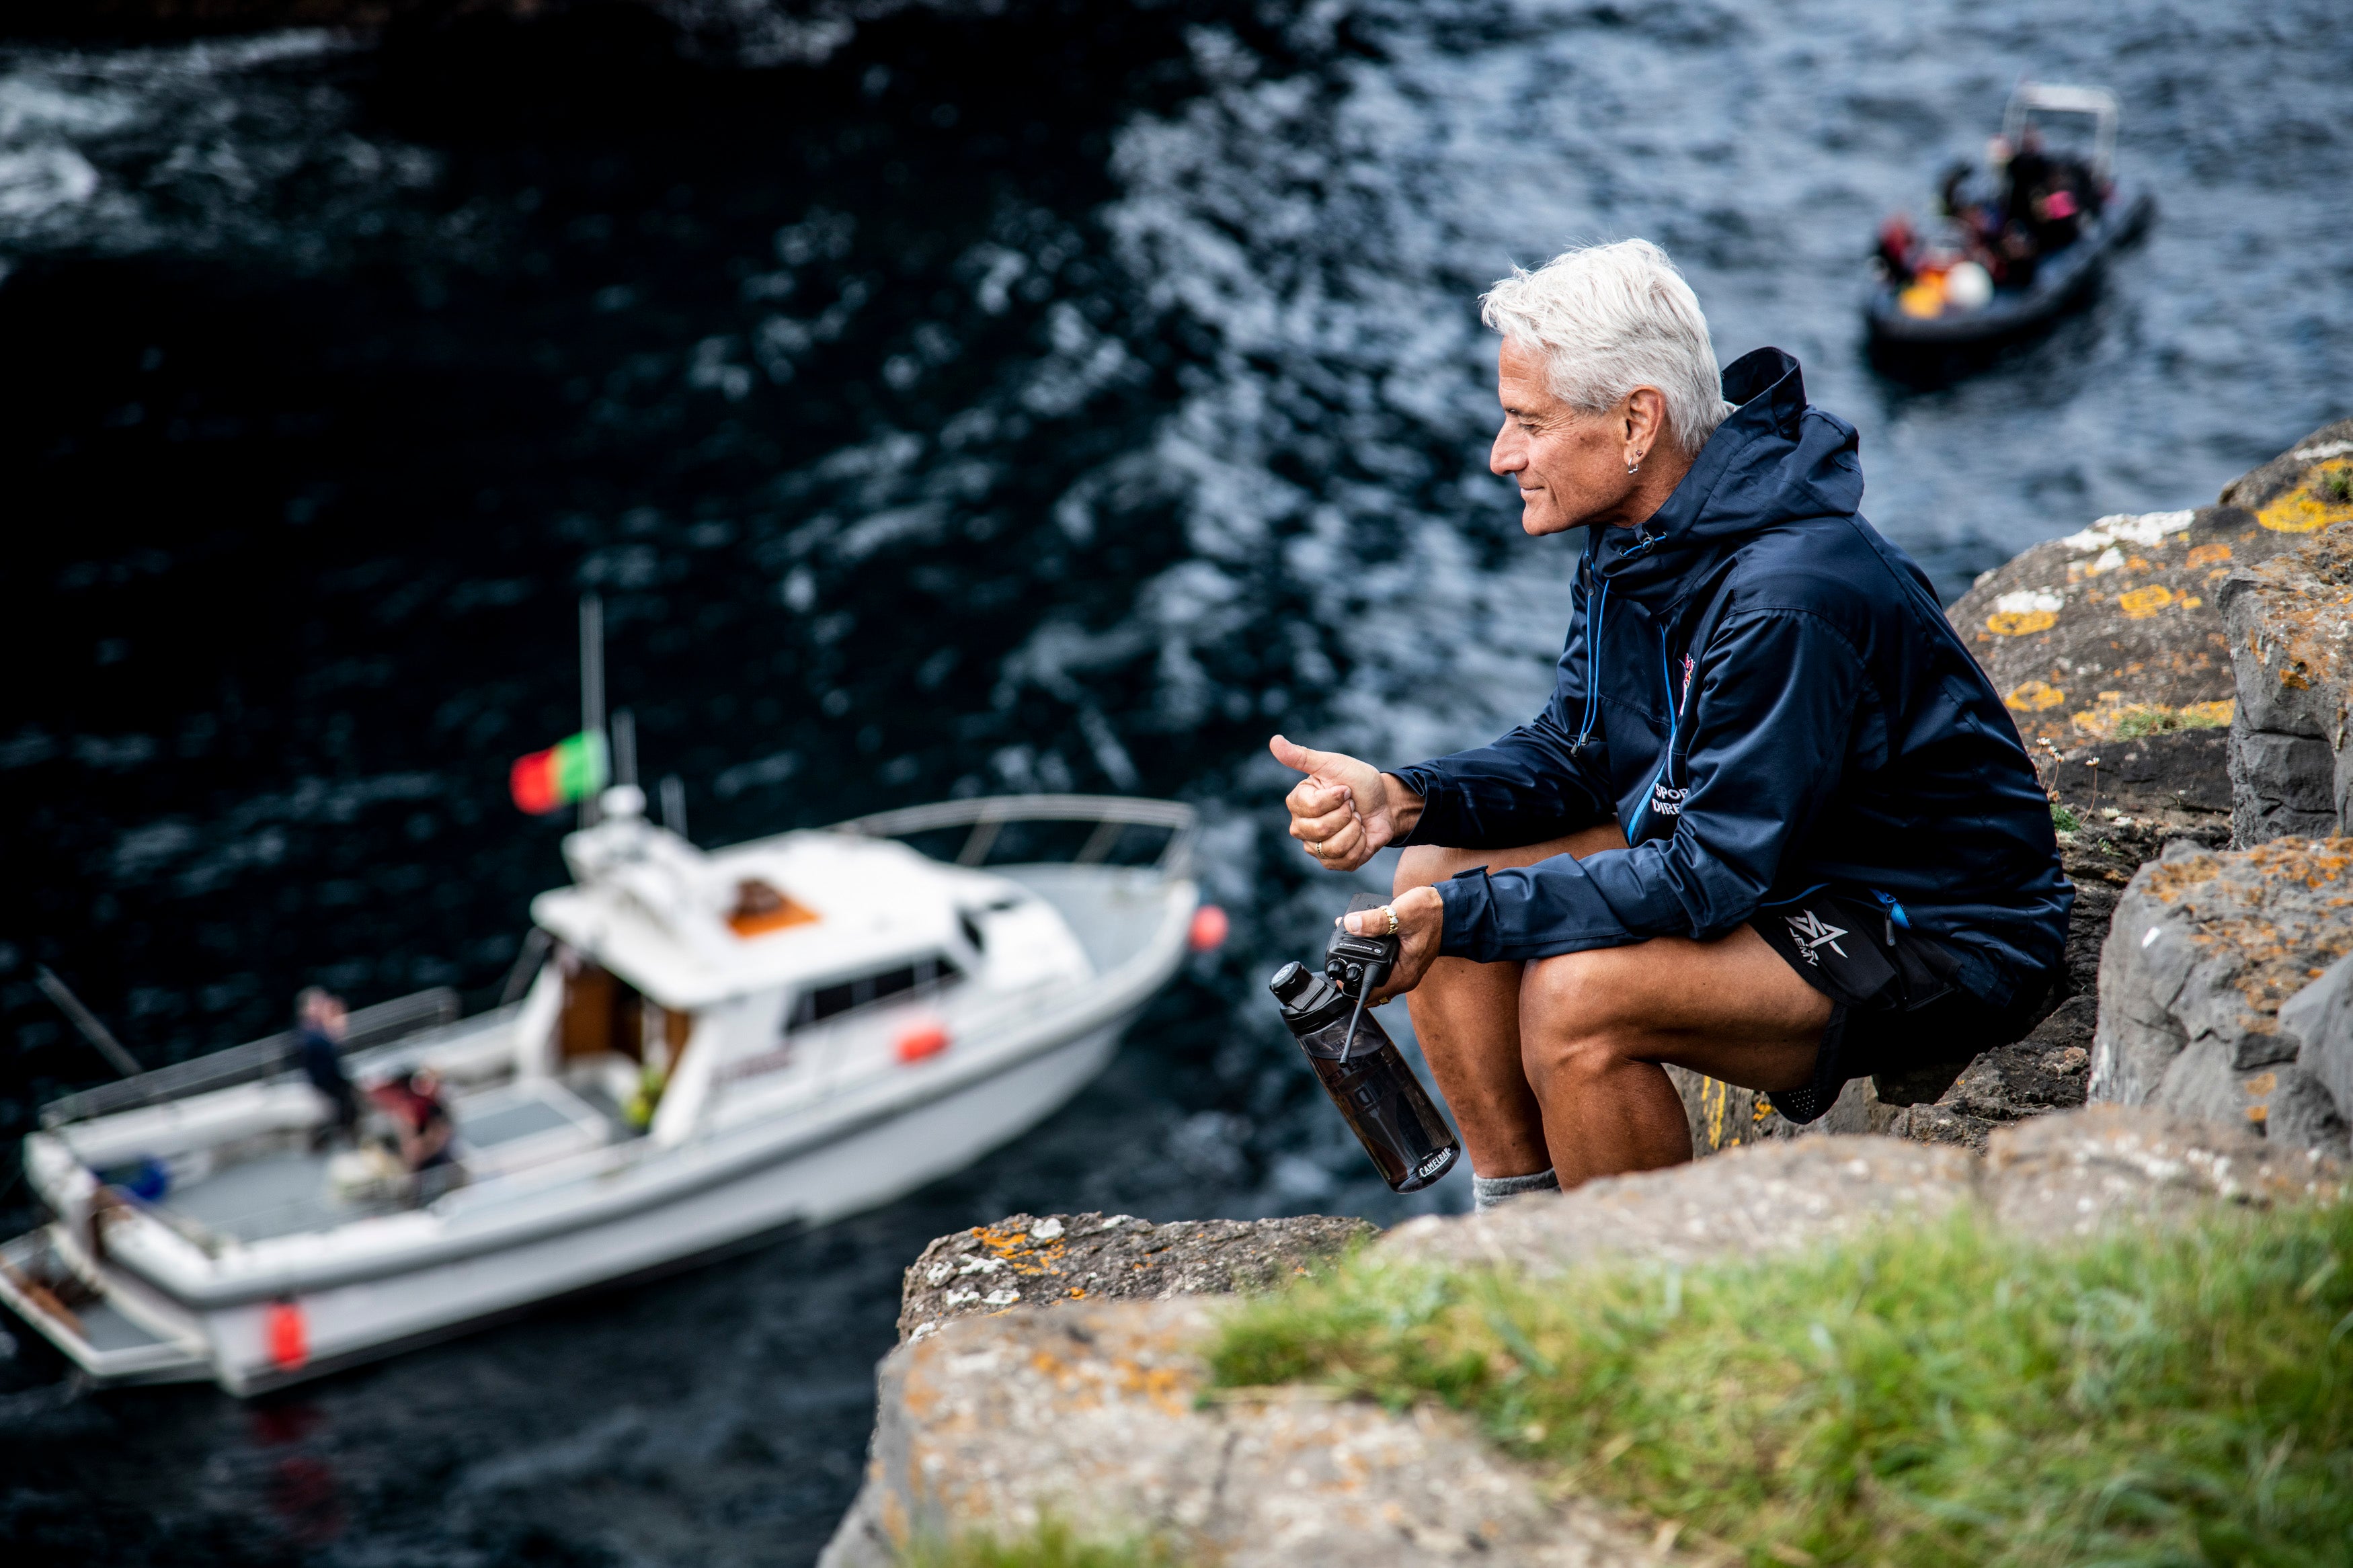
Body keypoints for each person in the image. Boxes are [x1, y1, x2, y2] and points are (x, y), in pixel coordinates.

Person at [1271, 239, 2070, 1208]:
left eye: (1528, 421)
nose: (1501, 455)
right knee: (1434, 869)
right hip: (1784, 851)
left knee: (1575, 999)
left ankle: (1638, 1297)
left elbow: (1710, 873)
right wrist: (1408, 798)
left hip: (1924, 924)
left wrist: (1466, 921)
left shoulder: (1787, 598)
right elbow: (1581, 750)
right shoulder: (1639, 533)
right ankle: (1525, 1232)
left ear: (1636, 421)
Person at [294, 987, 358, 1149]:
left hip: (329, 1080)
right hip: (325, 1083)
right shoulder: (311, 1034)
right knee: (347, 1105)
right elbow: (332, 1050)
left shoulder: (313, 1031)